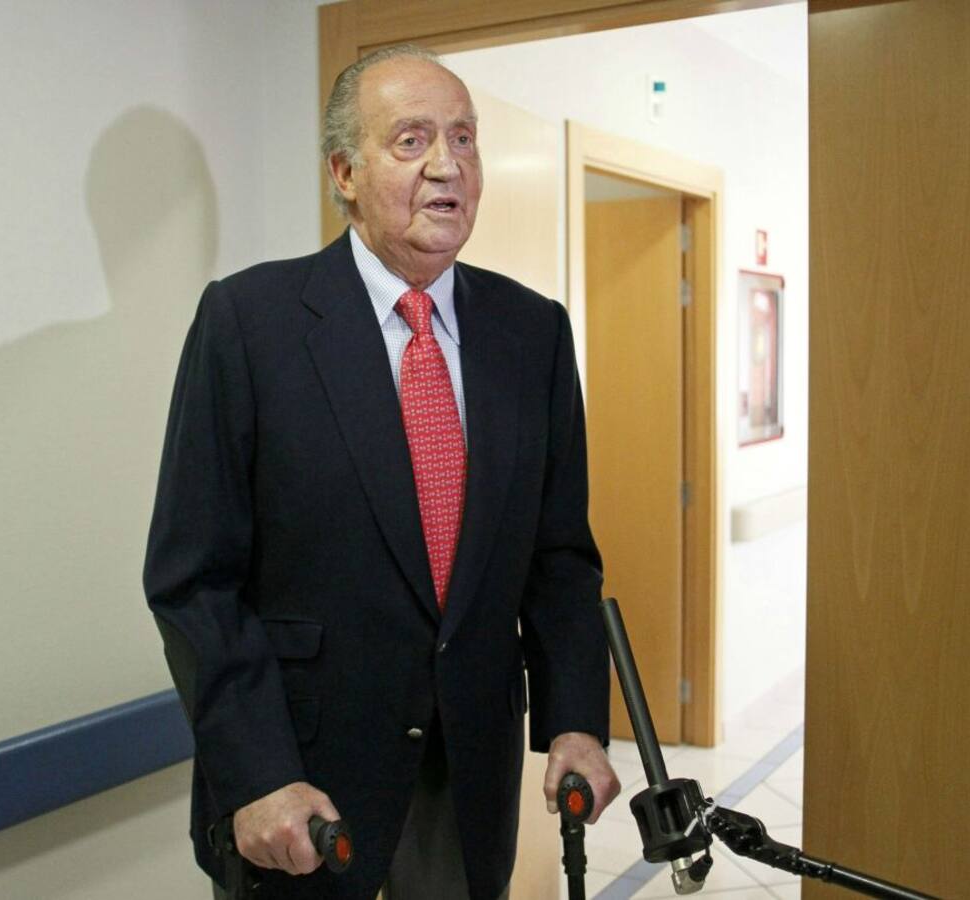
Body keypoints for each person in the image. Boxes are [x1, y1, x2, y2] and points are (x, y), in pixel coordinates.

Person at [143, 44, 619, 900]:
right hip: (300, 783)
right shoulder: (249, 323)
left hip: (468, 778)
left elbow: (559, 557)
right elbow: (194, 580)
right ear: (345, 172)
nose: (448, 165)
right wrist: (256, 774)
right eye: (411, 140)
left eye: (464, 139)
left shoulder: (533, 332)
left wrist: (576, 720)